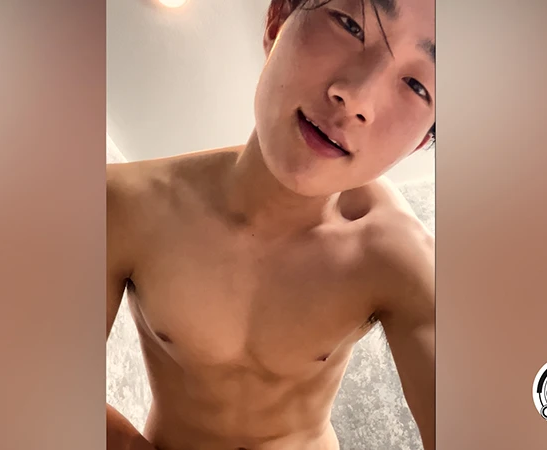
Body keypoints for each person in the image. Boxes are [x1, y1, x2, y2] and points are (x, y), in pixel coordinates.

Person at [106, 0, 435, 448]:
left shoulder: (400, 257)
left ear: (420, 140)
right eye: (350, 24)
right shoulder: (128, 205)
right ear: (278, 19)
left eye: (417, 85)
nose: (357, 97)